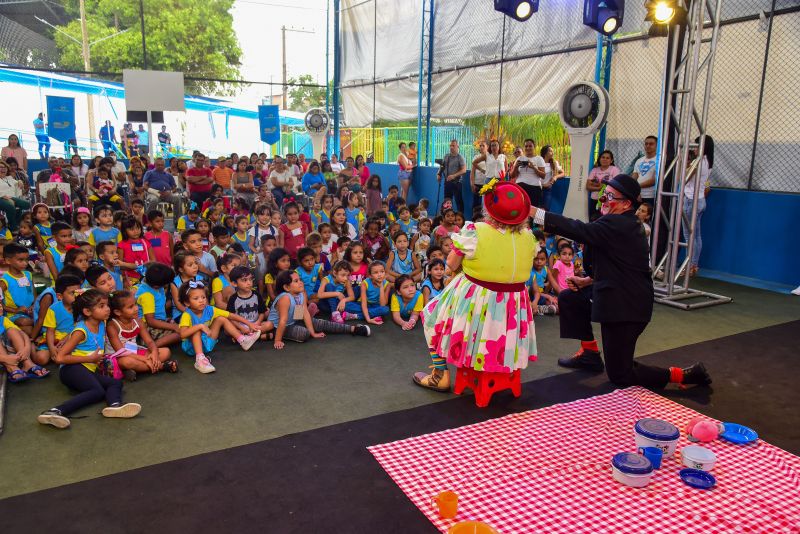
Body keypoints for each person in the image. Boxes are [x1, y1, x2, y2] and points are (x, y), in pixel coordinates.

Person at [530, 174, 711, 389]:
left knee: (620, 374)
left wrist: (535, 212)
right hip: (613, 292)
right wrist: (587, 281)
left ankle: (684, 375)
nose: (604, 200)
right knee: (570, 297)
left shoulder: (619, 224)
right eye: (604, 195)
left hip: (626, 307)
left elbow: (578, 229)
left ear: (626, 204)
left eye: (610, 196)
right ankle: (589, 354)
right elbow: (617, 264)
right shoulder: (618, 223)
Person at [413, 179, 537, 392]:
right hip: (514, 307)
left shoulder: (476, 230)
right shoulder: (528, 237)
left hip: (478, 299)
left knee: (431, 315)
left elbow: (451, 264)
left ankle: (440, 374)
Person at [37, 289, 142, 429]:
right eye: (101, 306)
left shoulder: (101, 323)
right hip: (71, 369)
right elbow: (60, 358)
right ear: (87, 312)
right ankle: (56, 411)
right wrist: (90, 358)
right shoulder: (81, 331)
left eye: (107, 305)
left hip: (88, 369)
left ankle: (114, 406)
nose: (107, 309)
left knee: (115, 383)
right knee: (97, 391)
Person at [269, 270, 370, 349]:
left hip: (294, 320)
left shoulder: (301, 294)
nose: (300, 283)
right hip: (278, 326)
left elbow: (303, 313)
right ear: (286, 287)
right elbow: (283, 320)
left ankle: (353, 329)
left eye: (300, 279)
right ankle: (271, 334)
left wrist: (313, 333)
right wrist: (277, 340)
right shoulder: (285, 298)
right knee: (304, 333)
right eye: (296, 281)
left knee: (319, 323)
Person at [178, 280, 261, 374]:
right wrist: (200, 326)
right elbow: (182, 334)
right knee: (196, 330)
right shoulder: (187, 315)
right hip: (191, 347)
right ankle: (200, 360)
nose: (201, 300)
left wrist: (249, 324)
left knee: (221, 318)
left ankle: (243, 340)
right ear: (187, 303)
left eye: (203, 297)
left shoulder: (210, 309)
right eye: (196, 298)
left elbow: (230, 315)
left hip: (207, 342)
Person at [107, 290, 176, 379]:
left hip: (134, 352)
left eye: (135, 304)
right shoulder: (112, 326)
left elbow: (150, 342)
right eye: (130, 307)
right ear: (118, 312)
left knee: (166, 351)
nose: (136, 308)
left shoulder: (138, 322)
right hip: (118, 357)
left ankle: (134, 369)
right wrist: (144, 359)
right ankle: (161, 366)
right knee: (127, 362)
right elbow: (121, 351)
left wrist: (154, 353)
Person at [682, 135, 714, 276]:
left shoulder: (698, 162)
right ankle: (694, 265)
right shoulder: (708, 161)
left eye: (695, 145)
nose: (693, 148)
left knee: (689, 236)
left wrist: (684, 165)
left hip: (691, 200)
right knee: (696, 235)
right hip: (700, 200)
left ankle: (690, 266)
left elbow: (683, 179)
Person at [143, 157, 183, 227]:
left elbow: (174, 188)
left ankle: (178, 221)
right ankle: (149, 221)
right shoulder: (149, 173)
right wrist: (155, 192)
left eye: (162, 165)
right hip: (153, 194)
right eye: (158, 165)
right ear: (155, 164)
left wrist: (169, 191)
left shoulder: (169, 175)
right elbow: (145, 186)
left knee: (177, 198)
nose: (160, 166)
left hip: (167, 194)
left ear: (164, 165)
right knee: (153, 200)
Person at [510, 138, 546, 208]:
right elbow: (512, 176)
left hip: (534, 188)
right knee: (520, 209)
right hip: (520, 188)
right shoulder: (519, 158)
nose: (528, 148)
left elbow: (543, 176)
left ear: (534, 147)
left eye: (530, 146)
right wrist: (515, 167)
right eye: (526, 146)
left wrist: (533, 168)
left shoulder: (539, 159)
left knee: (532, 210)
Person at [587, 150, 620, 221]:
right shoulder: (594, 170)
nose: (605, 159)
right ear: (599, 159)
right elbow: (588, 186)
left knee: (605, 221)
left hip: (608, 200)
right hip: (594, 200)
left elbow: (614, 186)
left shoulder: (614, 170)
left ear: (611, 161)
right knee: (592, 220)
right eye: (603, 157)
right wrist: (600, 187)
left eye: (607, 158)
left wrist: (595, 184)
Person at [437, 139, 467, 214]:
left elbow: (464, 170)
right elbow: (442, 166)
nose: (451, 147)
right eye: (450, 145)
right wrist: (438, 174)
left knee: (458, 201)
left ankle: (460, 218)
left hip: (457, 182)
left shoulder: (460, 157)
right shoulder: (446, 156)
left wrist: (454, 176)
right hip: (447, 181)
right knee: (447, 201)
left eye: (453, 145)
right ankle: (446, 216)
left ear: (457, 146)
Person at [0, 160, 30, 231]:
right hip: (1, 198)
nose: (3, 169)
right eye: (0, 167)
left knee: (26, 204)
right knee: (10, 206)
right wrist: (2, 195)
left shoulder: (9, 178)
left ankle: (17, 223)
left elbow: (17, 183)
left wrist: (20, 181)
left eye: (4, 167)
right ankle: (12, 227)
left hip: (12, 198)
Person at [632, 136, 658, 207]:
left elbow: (654, 180)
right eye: (646, 144)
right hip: (637, 195)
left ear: (657, 146)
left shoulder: (659, 160)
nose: (648, 146)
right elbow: (634, 177)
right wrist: (636, 192)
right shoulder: (639, 160)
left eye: (651, 144)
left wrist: (636, 187)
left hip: (651, 196)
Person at [540, 144, 564, 211]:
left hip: (547, 190)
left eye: (552, 151)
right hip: (538, 189)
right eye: (550, 151)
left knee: (545, 210)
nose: (552, 153)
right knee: (537, 209)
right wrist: (543, 185)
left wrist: (555, 177)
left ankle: (543, 221)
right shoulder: (538, 162)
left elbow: (563, 173)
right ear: (545, 153)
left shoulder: (554, 163)